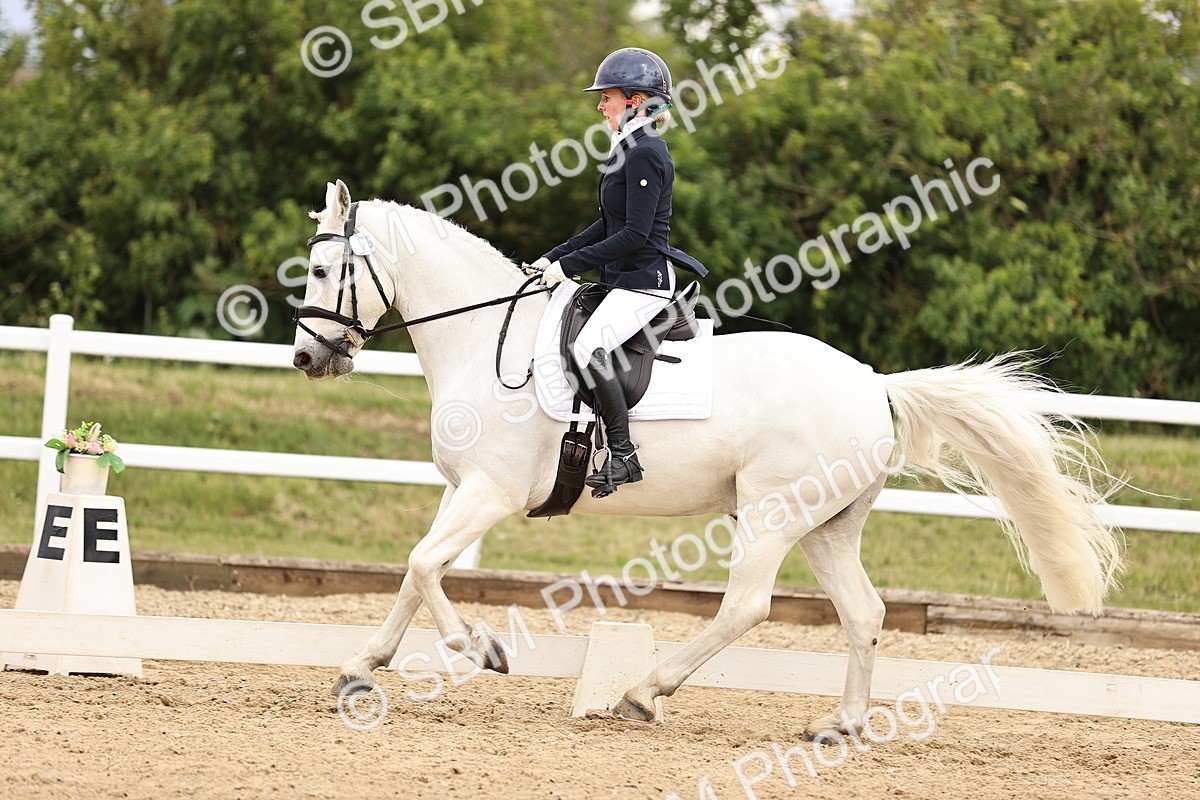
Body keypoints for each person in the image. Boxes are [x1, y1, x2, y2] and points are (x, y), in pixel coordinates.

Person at [527, 47, 708, 495]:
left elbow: (635, 236)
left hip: (646, 284)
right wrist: (553, 257)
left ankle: (624, 456)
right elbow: (607, 224)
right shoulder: (626, 149)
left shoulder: (647, 152)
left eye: (605, 96)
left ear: (633, 99)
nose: (599, 105)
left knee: (590, 349)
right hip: (623, 280)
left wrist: (570, 267)